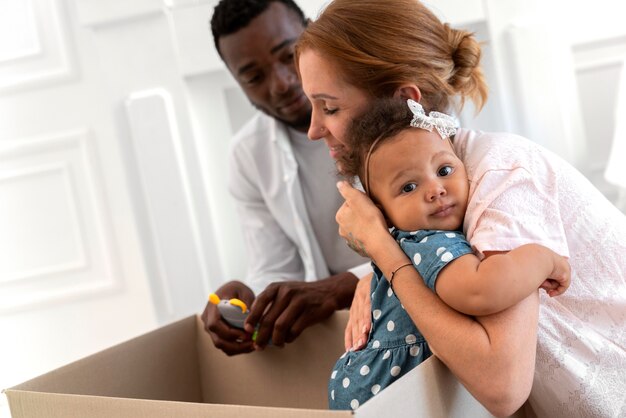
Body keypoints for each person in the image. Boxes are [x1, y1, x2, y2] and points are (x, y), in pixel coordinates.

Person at [295, 0, 626, 416]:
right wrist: (372, 278)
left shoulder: (502, 179)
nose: (313, 129)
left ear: (404, 102)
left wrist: (383, 251)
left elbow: (502, 387)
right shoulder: (436, 193)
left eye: (330, 107)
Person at [328, 97, 570, 410]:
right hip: (386, 394)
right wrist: (541, 258)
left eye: (444, 169)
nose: (435, 189)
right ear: (382, 213)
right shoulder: (430, 244)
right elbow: (482, 290)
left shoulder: (408, 244)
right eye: (408, 187)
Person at [202, 0, 369, 356]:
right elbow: (276, 267)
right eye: (253, 77)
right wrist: (246, 299)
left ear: (312, 34)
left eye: (288, 55)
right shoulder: (248, 154)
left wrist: (343, 286)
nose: (280, 83)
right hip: (337, 338)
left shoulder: (384, 106)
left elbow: (439, 239)